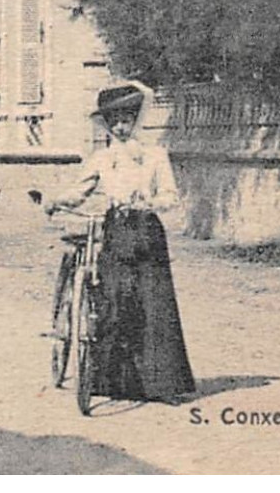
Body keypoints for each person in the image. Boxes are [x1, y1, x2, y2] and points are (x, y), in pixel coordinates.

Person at [46, 83, 196, 405]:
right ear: (108, 124)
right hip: (116, 233)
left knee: (153, 303)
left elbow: (170, 196)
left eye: (126, 119)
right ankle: (112, 382)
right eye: (114, 121)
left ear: (136, 120)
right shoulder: (101, 159)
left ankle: (161, 385)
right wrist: (56, 200)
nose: (120, 127)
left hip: (146, 234)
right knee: (113, 301)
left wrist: (150, 201)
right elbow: (80, 190)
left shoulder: (155, 156)